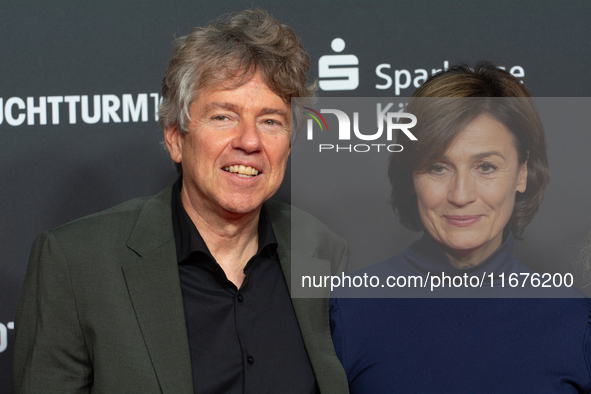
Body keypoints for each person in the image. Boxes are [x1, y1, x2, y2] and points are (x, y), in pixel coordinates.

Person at [13, 10, 349, 394]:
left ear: (289, 142)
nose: (250, 141)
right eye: (224, 116)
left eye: (271, 121)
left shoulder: (323, 251)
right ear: (175, 136)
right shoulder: (77, 264)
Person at [330, 63, 591, 392]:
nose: (461, 195)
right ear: (411, 176)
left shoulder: (575, 319)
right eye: (438, 167)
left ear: (522, 172)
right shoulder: (348, 311)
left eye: (486, 166)